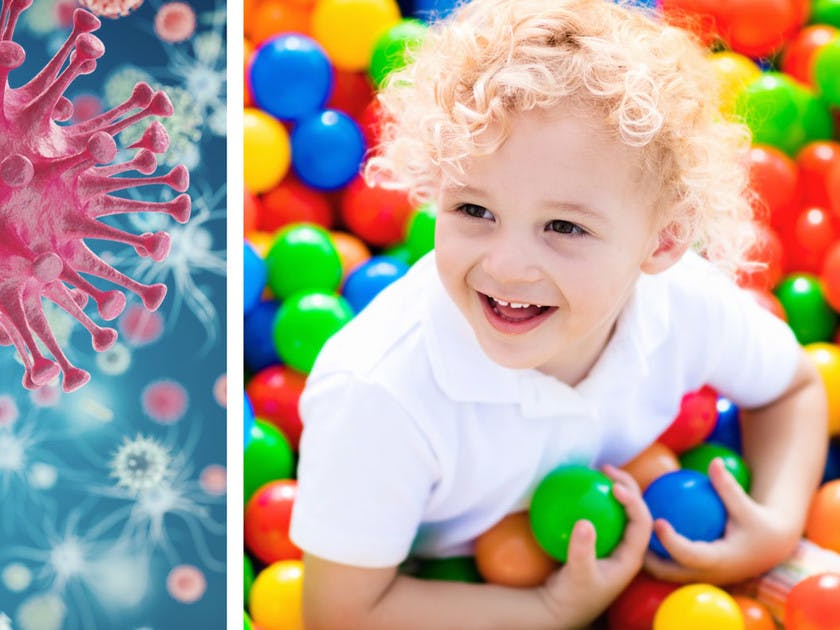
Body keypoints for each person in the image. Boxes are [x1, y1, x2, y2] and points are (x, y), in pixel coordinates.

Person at [289, 1, 830, 628]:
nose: (508, 264)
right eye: (474, 211)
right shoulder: (380, 393)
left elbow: (793, 386)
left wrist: (775, 523)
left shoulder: (682, 302)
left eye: (564, 226)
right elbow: (337, 612)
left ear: (662, 241)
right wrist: (546, 610)